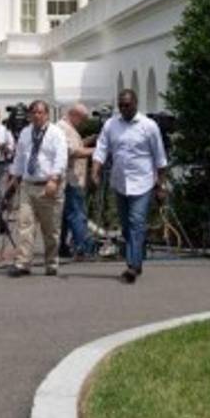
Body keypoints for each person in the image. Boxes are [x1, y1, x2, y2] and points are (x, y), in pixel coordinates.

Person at [91, 88, 168, 284]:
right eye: (121, 105)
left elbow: (160, 157)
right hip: (120, 183)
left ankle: (132, 266)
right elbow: (101, 148)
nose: (124, 108)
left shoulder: (148, 126)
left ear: (135, 104)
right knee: (126, 226)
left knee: (136, 222)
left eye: (127, 105)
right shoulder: (111, 124)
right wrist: (95, 170)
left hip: (142, 183)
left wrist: (161, 185)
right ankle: (137, 259)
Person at [5, 100, 67, 277]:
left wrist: (54, 178)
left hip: (48, 185)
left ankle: (52, 262)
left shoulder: (56, 133)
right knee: (25, 225)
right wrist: (13, 177)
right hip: (28, 185)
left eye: (41, 112)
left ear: (47, 114)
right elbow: (20, 158)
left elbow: (61, 158)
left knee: (51, 229)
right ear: (30, 115)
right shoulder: (25, 133)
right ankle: (23, 263)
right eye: (34, 113)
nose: (37, 116)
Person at [57, 103, 96, 259]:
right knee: (77, 213)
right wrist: (97, 150)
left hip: (72, 178)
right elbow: (71, 151)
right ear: (75, 115)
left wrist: (90, 140)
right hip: (70, 178)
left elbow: (76, 145)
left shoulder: (67, 128)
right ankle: (84, 247)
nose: (84, 123)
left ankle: (62, 247)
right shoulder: (62, 129)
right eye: (83, 119)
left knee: (66, 216)